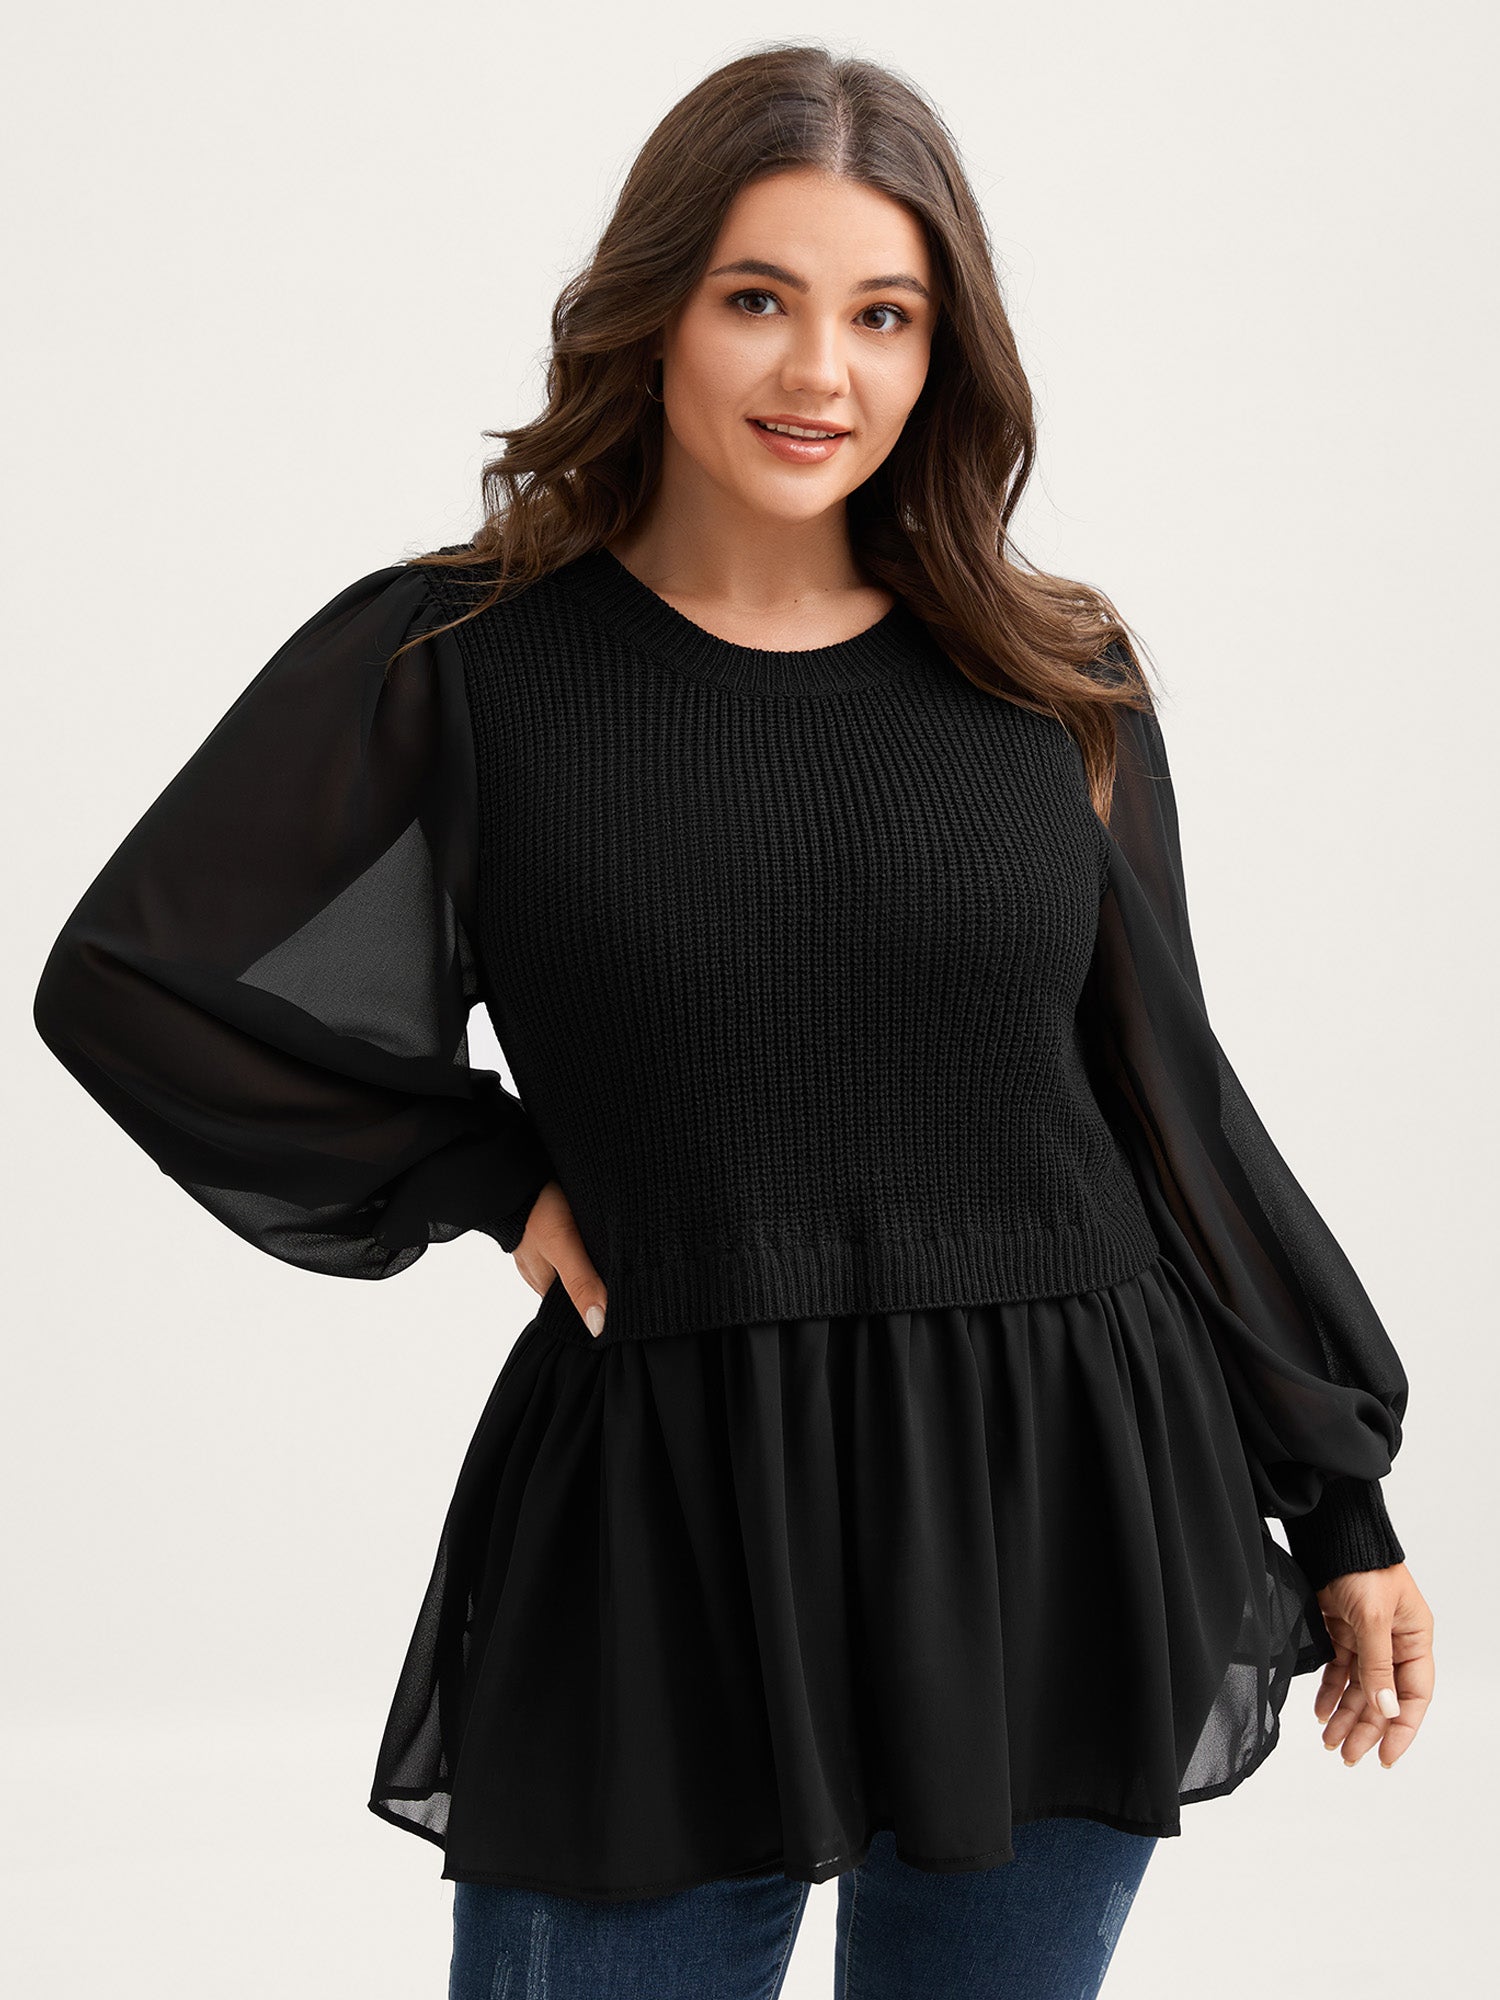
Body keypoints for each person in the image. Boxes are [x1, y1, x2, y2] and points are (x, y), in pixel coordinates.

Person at [31, 42, 1434, 2000]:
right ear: (656, 311)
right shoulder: (465, 662)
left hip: (1058, 1497)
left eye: (886, 316)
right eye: (759, 298)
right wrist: (486, 1169)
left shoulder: (1052, 677)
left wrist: (1341, 1502)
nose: (820, 372)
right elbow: (134, 981)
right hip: (670, 1517)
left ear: (946, 353)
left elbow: (1168, 1101)